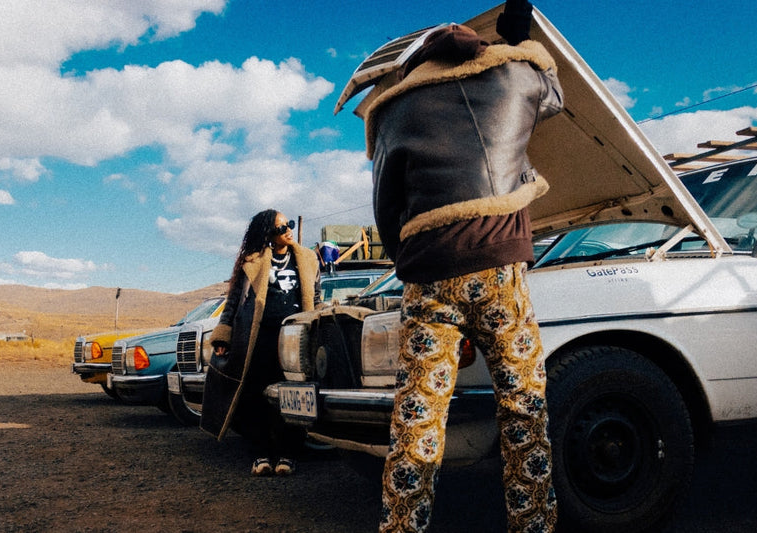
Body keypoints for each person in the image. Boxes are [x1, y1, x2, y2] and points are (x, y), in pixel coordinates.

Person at [356, 1, 563, 531]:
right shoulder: (513, 77)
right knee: (522, 407)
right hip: (500, 270)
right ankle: (533, 524)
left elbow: (386, 209)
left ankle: (403, 526)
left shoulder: (396, 109)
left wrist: (412, 260)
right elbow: (554, 96)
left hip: (429, 276)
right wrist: (519, 39)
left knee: (418, 416)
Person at [200, 209, 321, 476]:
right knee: (256, 396)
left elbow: (317, 296)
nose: (288, 230)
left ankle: (288, 454)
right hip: (259, 339)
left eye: (288, 224)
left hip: (295, 340)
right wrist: (224, 334)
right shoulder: (251, 262)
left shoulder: (308, 259)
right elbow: (232, 302)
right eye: (281, 228)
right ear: (268, 234)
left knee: (294, 396)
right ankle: (261, 454)